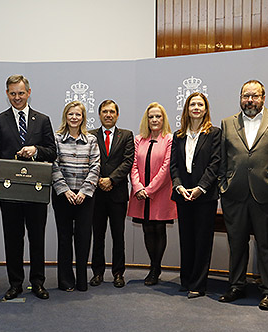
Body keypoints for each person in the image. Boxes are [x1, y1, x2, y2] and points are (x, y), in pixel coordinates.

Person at [218, 80, 268, 310]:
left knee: (267, 245)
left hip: (267, 193)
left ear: (263, 97)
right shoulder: (227, 123)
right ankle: (236, 285)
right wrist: (223, 186)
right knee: (236, 243)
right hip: (235, 194)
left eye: (255, 96)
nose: (250, 100)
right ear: (240, 97)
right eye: (246, 96)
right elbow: (222, 159)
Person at [0, 74, 57, 300]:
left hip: (35, 191)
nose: (17, 97)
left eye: (20, 93)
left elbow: (52, 152)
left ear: (29, 92)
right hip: (10, 191)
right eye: (12, 93)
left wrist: (35, 150)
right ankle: (15, 284)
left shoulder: (43, 119)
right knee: (13, 239)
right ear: (7, 94)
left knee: (37, 238)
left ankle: (37, 283)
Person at [170, 92, 221, 298]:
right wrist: (178, 186)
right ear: (187, 109)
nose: (196, 108)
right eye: (193, 104)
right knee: (187, 239)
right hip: (183, 194)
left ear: (206, 109)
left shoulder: (214, 133)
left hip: (204, 196)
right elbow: (174, 165)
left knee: (202, 240)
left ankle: (198, 284)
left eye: (200, 104)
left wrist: (201, 188)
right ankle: (186, 279)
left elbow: (215, 163)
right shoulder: (178, 135)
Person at [52, 101, 100, 291]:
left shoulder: (91, 140)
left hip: (84, 198)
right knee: (64, 238)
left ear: (83, 118)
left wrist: (83, 192)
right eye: (70, 114)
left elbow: (96, 167)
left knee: (83, 237)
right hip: (63, 196)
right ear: (66, 116)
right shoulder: (56, 139)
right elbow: (53, 165)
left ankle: (81, 280)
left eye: (78, 114)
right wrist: (65, 190)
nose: (74, 117)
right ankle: (65, 280)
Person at [127, 102, 177, 285]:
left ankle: (156, 268)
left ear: (163, 119)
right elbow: (133, 166)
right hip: (140, 194)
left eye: (158, 116)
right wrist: (138, 187)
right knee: (147, 229)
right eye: (151, 117)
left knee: (159, 229)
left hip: (161, 194)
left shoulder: (170, 139)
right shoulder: (139, 139)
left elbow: (166, 169)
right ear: (146, 120)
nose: (154, 120)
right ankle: (152, 267)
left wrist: (148, 190)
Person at [90, 100, 134, 288]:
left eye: (112, 112)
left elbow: (128, 161)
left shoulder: (126, 135)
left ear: (117, 115)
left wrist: (111, 180)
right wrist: (100, 179)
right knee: (97, 235)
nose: (108, 115)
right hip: (96, 193)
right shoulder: (90, 135)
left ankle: (118, 273)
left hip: (117, 194)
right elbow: (89, 160)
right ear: (99, 114)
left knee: (118, 235)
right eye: (105, 111)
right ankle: (97, 273)